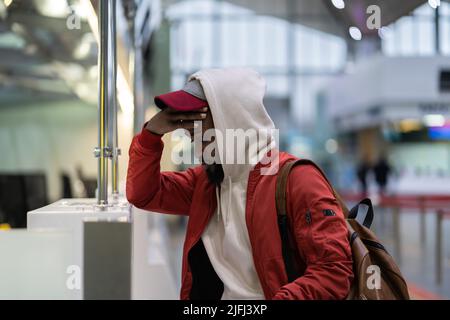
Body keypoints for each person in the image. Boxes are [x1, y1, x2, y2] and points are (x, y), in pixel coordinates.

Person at [126, 68, 353, 300]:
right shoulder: (208, 182)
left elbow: (333, 271)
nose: (186, 128)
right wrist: (151, 134)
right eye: (184, 118)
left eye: (196, 117)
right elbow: (144, 194)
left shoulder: (298, 180)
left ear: (230, 117)